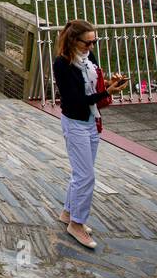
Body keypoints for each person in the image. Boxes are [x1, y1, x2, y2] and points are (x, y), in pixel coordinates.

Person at [52, 19, 127, 249]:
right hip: (75, 122)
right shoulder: (63, 64)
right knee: (86, 176)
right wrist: (106, 92)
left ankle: (68, 212)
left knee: (81, 172)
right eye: (88, 42)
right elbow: (74, 100)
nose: (91, 47)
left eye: (94, 42)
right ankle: (77, 224)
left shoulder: (88, 59)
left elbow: (93, 88)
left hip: (92, 120)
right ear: (74, 40)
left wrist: (110, 85)